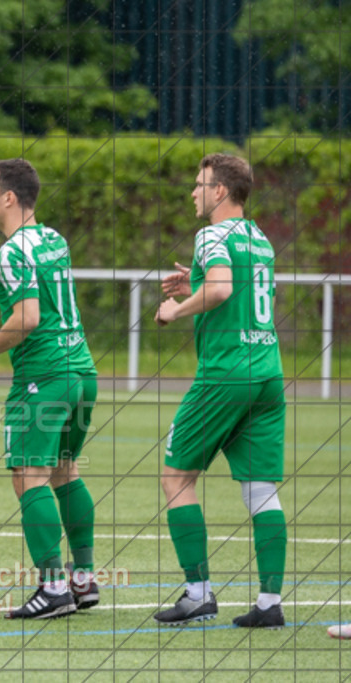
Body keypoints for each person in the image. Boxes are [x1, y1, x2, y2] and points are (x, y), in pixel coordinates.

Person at [153, 153, 287, 628]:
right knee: (260, 490)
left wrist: (177, 308)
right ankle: (270, 605)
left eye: (199, 184)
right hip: (268, 373)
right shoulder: (259, 237)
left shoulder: (211, 234)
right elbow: (248, 294)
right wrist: (195, 282)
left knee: (176, 477)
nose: (193, 191)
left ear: (220, 191)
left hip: (226, 373)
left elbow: (223, 290)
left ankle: (198, 594)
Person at [0, 159, 99, 620]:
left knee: (29, 476)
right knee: (66, 471)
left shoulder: (16, 249)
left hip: (44, 377)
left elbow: (26, 318)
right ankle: (83, 578)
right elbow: (30, 282)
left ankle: (52, 588)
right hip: (81, 371)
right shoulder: (50, 238)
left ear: (9, 197)